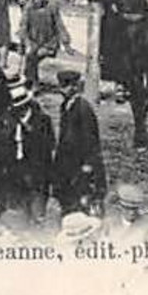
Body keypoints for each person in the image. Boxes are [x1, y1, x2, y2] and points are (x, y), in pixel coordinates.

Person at [0, 83, 53, 226]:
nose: (17, 112)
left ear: (27, 105)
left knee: (35, 210)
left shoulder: (42, 120)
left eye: (20, 108)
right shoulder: (7, 120)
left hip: (34, 170)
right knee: (14, 211)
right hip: (13, 170)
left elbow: (48, 146)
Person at [87, 0, 148, 98]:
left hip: (133, 22)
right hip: (115, 27)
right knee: (116, 56)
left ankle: (133, 85)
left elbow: (143, 3)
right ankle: (118, 85)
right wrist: (108, 6)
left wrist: (139, 14)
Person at [52, 70, 106, 218]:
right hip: (67, 163)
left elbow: (91, 140)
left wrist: (88, 164)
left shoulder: (83, 108)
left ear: (75, 87)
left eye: (68, 86)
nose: (64, 90)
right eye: (62, 86)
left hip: (81, 164)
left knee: (82, 202)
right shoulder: (65, 105)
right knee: (67, 200)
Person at [20, 0, 74, 89]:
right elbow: (23, 27)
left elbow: (59, 26)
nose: (37, 1)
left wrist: (66, 44)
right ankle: (30, 82)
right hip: (34, 42)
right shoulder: (28, 8)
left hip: (49, 43)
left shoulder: (52, 8)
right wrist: (25, 43)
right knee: (30, 55)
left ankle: (32, 83)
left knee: (32, 58)